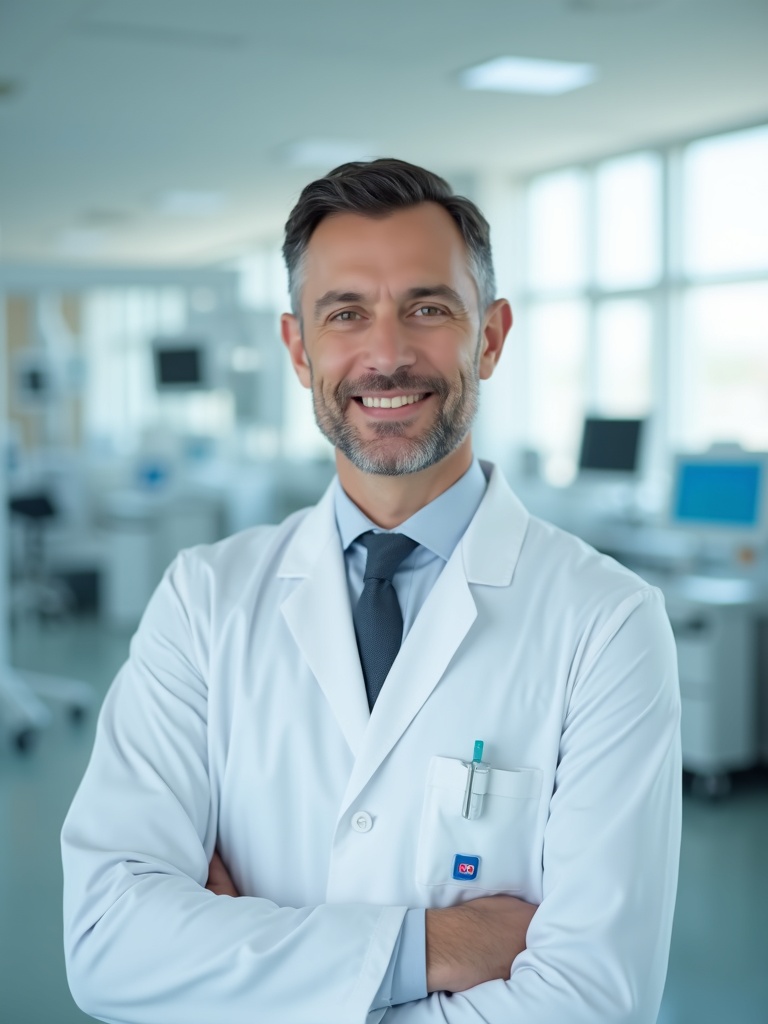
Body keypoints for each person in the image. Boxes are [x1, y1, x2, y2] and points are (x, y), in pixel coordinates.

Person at [62, 158, 681, 1024]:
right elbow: (108, 942)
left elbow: (590, 1002)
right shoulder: (203, 601)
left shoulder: (607, 623)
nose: (386, 356)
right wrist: (430, 947)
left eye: (428, 309)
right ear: (298, 348)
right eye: (346, 313)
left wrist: (231, 961)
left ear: (490, 337)